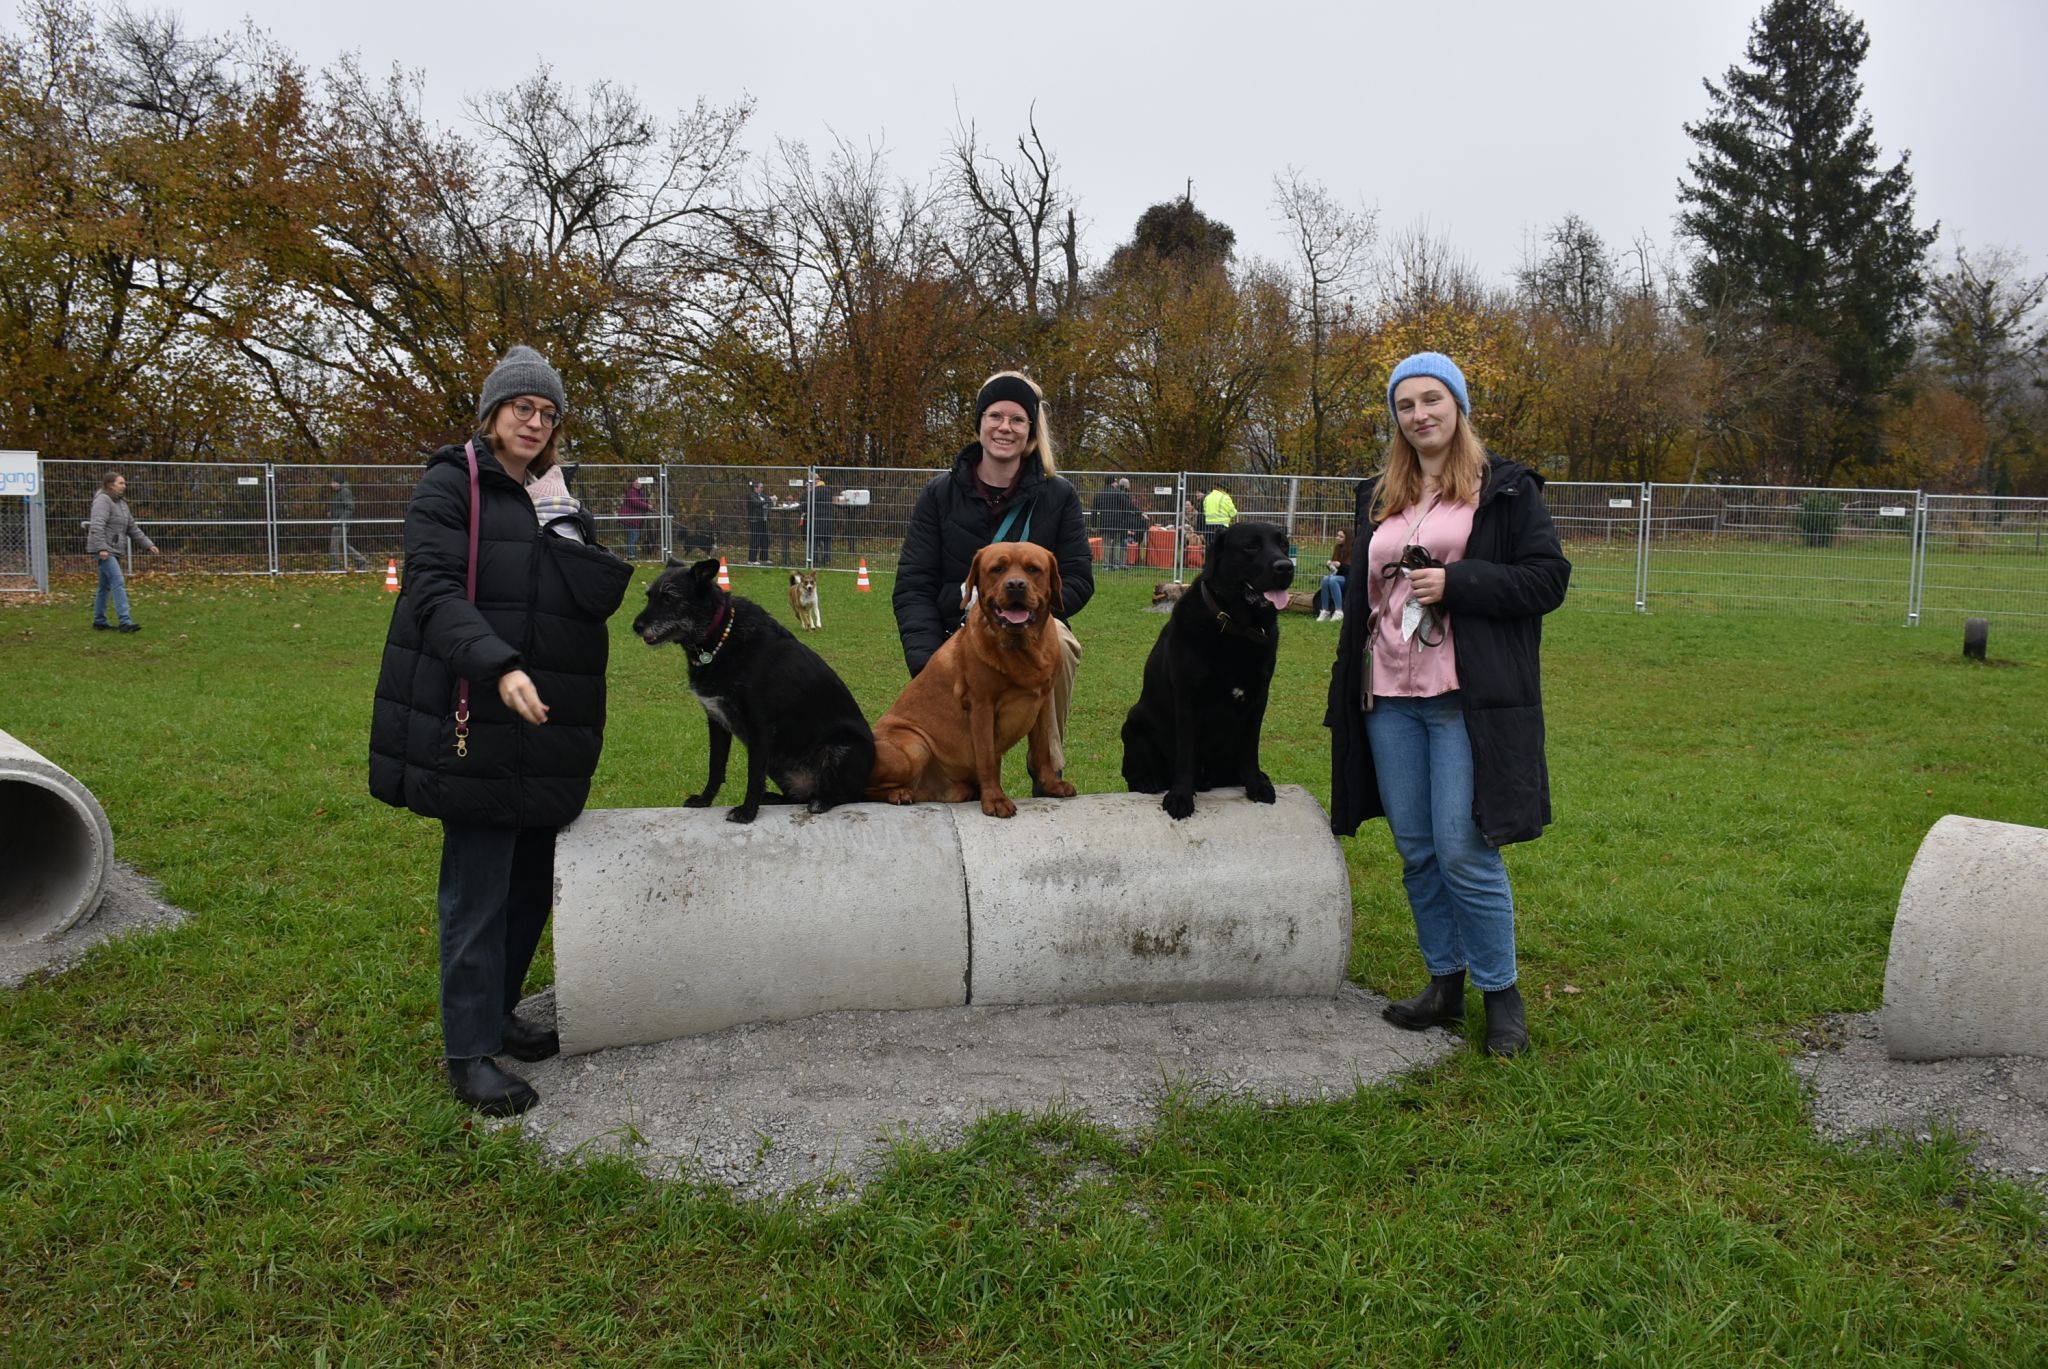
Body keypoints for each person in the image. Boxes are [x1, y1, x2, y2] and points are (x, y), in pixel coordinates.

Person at [369, 345, 633, 1116]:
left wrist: (564, 518)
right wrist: (499, 665)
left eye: (548, 414)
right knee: (477, 888)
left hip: (545, 724)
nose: (536, 422)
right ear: (491, 413)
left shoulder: (550, 496)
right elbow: (433, 589)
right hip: (478, 712)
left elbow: (592, 597)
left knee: (526, 886)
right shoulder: (453, 486)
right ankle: (469, 1051)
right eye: (523, 407)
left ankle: (500, 1012)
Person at [1325, 352, 1569, 1057]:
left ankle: (1503, 997)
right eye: (1406, 404)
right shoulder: (1379, 493)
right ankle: (1444, 982)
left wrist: (1457, 582)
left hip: (1468, 697)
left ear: (1458, 406)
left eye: (1433, 399)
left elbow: (1547, 579)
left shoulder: (1507, 489)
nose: (1419, 414)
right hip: (1388, 698)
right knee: (1419, 849)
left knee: (1466, 847)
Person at [893, 370, 1093, 780]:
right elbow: (914, 585)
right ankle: (958, 771)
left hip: (1036, 626)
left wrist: (1037, 606)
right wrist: (926, 660)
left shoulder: (1058, 495)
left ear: (1031, 431)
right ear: (980, 423)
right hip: (957, 629)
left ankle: (1046, 771)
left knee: (1064, 645)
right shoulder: (939, 494)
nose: (1005, 427)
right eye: (995, 416)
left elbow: (1077, 579)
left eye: (1018, 419)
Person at [86, 471, 157, 632]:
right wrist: (102, 547)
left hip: (114, 549)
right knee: (118, 581)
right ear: (111, 485)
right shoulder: (102, 501)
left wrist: (147, 544)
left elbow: (132, 527)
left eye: (124, 483)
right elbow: (97, 525)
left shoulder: (122, 504)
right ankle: (125, 621)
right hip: (104, 550)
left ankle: (99, 621)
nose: (124, 486)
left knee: (104, 587)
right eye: (121, 483)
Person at [328, 474, 371, 572]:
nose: (331, 485)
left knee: (334, 545)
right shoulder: (338, 493)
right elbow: (340, 507)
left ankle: (334, 567)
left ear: (338, 482)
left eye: (333, 482)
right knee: (343, 545)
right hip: (337, 522)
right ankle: (361, 561)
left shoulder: (345, 492)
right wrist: (332, 513)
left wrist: (341, 519)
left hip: (341, 524)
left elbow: (350, 507)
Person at [1314, 527, 1351, 621]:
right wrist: (1330, 565)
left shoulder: (1353, 550)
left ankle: (1339, 611)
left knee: (1333, 580)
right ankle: (1325, 611)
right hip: (1338, 577)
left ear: (1347, 539)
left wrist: (1340, 565)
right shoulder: (1337, 548)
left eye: (1341, 536)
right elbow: (1335, 571)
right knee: (1326, 579)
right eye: (1337, 535)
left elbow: (1352, 569)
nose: (1337, 538)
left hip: (1349, 579)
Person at [616, 480, 651, 560]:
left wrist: (647, 506)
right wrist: (647, 506)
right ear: (633, 484)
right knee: (632, 537)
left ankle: (632, 555)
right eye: (636, 483)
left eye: (639, 483)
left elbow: (640, 503)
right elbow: (635, 502)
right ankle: (631, 556)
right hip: (629, 519)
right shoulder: (632, 492)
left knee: (635, 536)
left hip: (634, 519)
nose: (638, 484)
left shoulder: (640, 493)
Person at [745, 480, 771, 564]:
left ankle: (764, 558)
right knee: (755, 539)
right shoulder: (751, 496)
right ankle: (751, 560)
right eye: (761, 487)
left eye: (762, 487)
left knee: (764, 539)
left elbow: (768, 499)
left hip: (763, 520)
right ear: (756, 488)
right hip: (755, 520)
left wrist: (769, 499)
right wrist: (768, 500)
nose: (762, 489)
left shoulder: (762, 495)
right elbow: (758, 503)